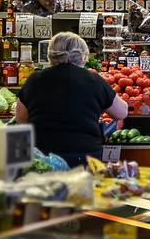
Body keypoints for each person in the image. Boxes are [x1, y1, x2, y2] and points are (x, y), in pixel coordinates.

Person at [16, 32, 128, 168]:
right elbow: (121, 113)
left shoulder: (35, 79)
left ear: (51, 53)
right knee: (83, 188)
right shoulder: (94, 80)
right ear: (83, 54)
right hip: (85, 155)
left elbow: (21, 119)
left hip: (44, 156)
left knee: (48, 189)